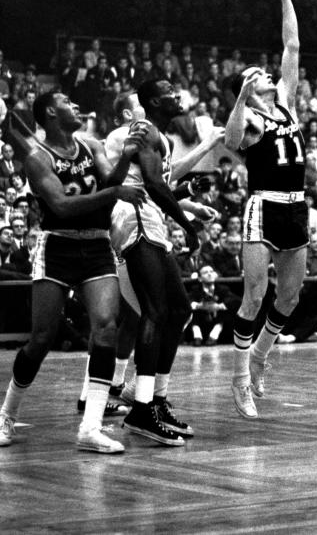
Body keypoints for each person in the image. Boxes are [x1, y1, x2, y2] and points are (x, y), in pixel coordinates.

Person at [0, 91, 145, 453]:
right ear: (50, 113)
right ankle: (7, 413)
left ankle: (90, 427)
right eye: (66, 102)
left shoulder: (90, 145)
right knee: (42, 337)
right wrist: (114, 194)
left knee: (106, 326)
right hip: (57, 245)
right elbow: (61, 205)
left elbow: (110, 184)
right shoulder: (37, 157)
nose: (76, 105)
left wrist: (127, 157)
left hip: (96, 245)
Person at [224, 0, 308, 420]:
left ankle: (260, 354)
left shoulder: (286, 104)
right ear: (249, 89)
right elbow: (233, 142)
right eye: (257, 76)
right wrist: (239, 97)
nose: (268, 76)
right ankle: (240, 380)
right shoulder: (251, 118)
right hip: (263, 206)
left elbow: (291, 48)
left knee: (290, 297)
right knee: (254, 295)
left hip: (296, 207)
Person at [113, 79, 203, 446]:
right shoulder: (146, 129)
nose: (177, 94)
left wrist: (185, 200)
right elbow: (151, 183)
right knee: (155, 310)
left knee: (179, 310)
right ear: (153, 101)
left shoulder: (159, 136)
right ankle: (141, 409)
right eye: (168, 90)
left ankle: (156, 399)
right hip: (135, 217)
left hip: (149, 219)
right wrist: (187, 225)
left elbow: (160, 182)